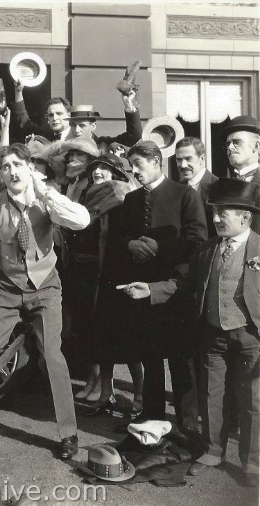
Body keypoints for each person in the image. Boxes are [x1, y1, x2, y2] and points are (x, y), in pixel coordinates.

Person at [121, 178, 260, 488]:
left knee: (252, 400)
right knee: (211, 394)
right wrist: (150, 290)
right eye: (214, 212)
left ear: (245, 217)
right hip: (212, 337)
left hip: (251, 338)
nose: (215, 219)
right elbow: (184, 285)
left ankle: (252, 462)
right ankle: (212, 451)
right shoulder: (208, 249)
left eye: (223, 212)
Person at [0, 144, 90, 459]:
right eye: (6, 167)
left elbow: (82, 220)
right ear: (0, 174)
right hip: (6, 289)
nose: (13, 172)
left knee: (51, 356)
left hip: (45, 287)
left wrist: (44, 192)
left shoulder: (45, 200)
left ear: (30, 167)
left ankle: (68, 433)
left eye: (18, 164)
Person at [105, 140, 207, 429]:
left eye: (139, 164)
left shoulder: (185, 194)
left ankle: (188, 424)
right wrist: (131, 244)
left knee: (179, 358)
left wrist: (159, 247)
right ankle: (152, 417)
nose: (134, 171)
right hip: (142, 288)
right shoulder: (132, 199)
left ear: (156, 162)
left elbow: (197, 241)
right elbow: (119, 237)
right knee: (149, 355)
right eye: (131, 165)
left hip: (175, 290)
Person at [64, 154, 141, 414]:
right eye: (95, 168)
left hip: (115, 273)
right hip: (90, 272)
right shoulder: (89, 196)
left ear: (116, 174)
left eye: (104, 168)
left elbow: (122, 238)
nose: (97, 172)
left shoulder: (120, 197)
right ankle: (102, 390)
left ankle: (139, 395)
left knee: (128, 341)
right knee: (97, 335)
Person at [221, 115, 260, 233]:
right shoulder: (221, 185)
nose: (230, 147)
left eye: (236, 142)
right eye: (228, 144)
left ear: (257, 146)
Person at [176, 137, 219, 237]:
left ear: (202, 159)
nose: (183, 165)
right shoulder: (176, 188)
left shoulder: (218, 186)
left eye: (188, 159)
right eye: (179, 160)